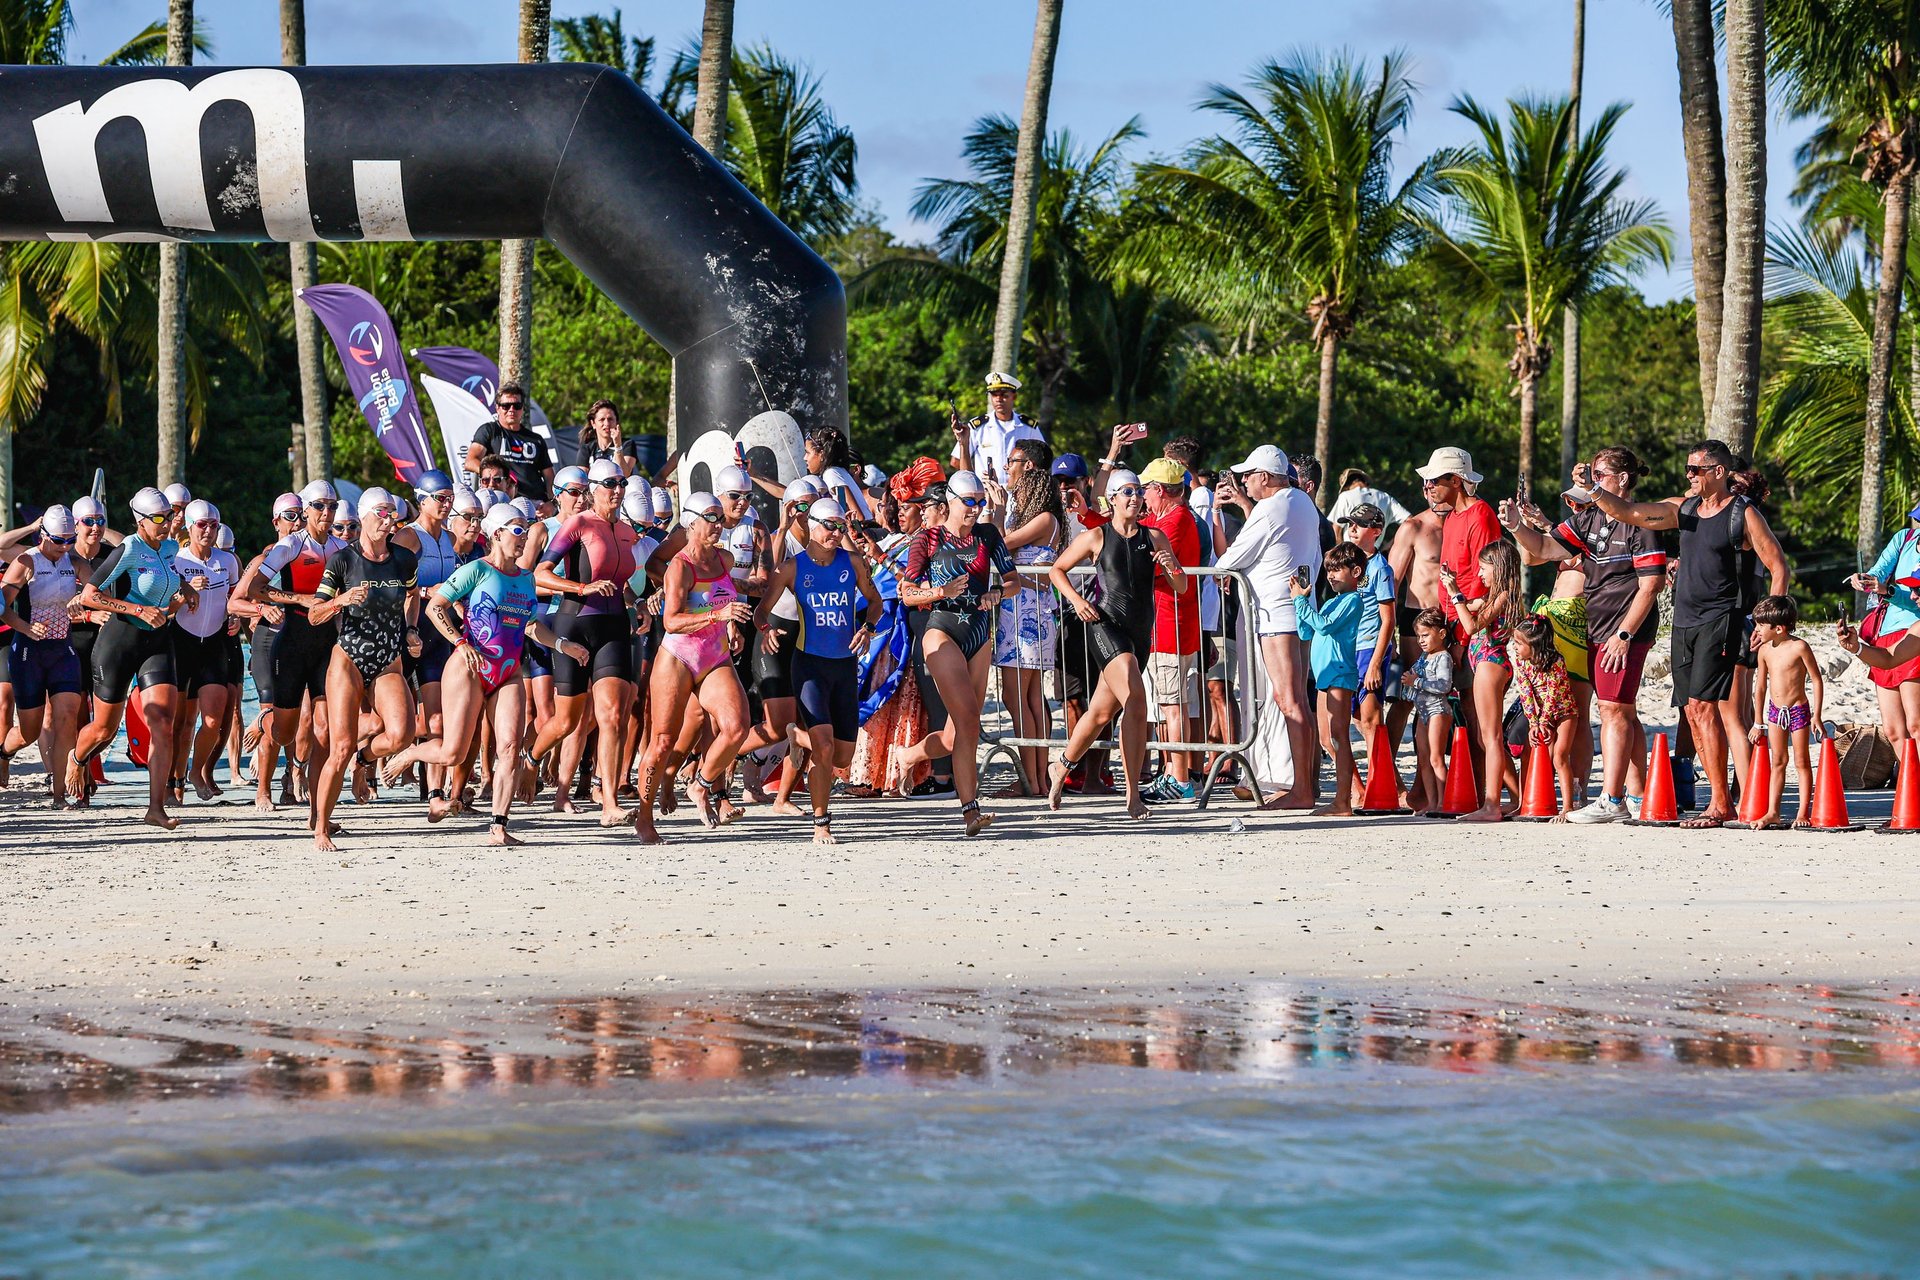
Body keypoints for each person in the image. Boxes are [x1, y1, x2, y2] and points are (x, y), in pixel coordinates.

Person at [1587, 439, 1790, 828]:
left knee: (1706, 706)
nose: (1689, 476)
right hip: (1684, 620)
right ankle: (1720, 799)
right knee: (1692, 711)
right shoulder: (1684, 510)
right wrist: (1595, 490)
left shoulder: (1742, 514)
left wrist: (1767, 624)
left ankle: (1721, 803)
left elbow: (1777, 566)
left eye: (1696, 469)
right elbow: (1629, 512)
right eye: (1687, 469)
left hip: (1724, 618)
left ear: (1719, 472)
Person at [380, 505, 590, 841]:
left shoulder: (525, 579)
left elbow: (532, 626)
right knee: (454, 752)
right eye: (517, 531)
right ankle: (411, 753)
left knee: (509, 746)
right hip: (468, 668)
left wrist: (563, 645)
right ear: (497, 534)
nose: (524, 539)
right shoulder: (477, 571)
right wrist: (460, 643)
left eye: (526, 530)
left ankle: (499, 825)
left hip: (507, 671)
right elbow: (436, 607)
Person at [1503, 447, 1666, 823]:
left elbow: (1652, 583)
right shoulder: (1590, 518)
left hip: (1625, 629)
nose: (1592, 481)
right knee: (1621, 709)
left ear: (1623, 479)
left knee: (1612, 709)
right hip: (1595, 624)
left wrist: (1624, 634)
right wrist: (1515, 526)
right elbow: (1543, 549)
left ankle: (1612, 799)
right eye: (1591, 474)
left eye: (1600, 475)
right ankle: (1638, 795)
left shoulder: (1640, 520)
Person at [1045, 469, 1187, 820]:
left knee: (1100, 713)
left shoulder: (1154, 537)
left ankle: (1061, 767)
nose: (1134, 497)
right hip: (1105, 626)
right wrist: (1077, 601)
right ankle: (1132, 793)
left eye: (1138, 491)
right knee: (1136, 699)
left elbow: (1182, 586)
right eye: (1126, 491)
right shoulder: (1096, 536)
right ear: (1111, 499)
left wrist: (1171, 568)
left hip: (1140, 634)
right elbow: (1056, 570)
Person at [753, 497, 883, 845]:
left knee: (841, 756)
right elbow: (761, 612)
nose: (836, 533)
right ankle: (821, 822)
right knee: (824, 747)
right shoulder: (790, 569)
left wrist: (867, 629)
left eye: (842, 527)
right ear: (812, 525)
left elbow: (876, 603)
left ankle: (795, 736)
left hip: (844, 665)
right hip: (808, 664)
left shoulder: (852, 562)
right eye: (830, 526)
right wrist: (767, 632)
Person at [894, 469, 1016, 835]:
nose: (976, 509)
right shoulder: (928, 540)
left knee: (954, 736)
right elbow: (907, 593)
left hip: (979, 634)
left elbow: (1013, 581)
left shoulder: (988, 535)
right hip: (941, 632)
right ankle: (970, 810)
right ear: (950, 501)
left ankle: (909, 755)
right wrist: (940, 593)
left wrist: (998, 592)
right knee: (968, 724)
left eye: (980, 503)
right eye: (969, 502)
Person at [70, 487, 196, 829]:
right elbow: (89, 596)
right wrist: (137, 608)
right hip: (119, 642)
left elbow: (172, 579)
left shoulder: (171, 547)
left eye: (169, 516)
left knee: (164, 725)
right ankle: (78, 757)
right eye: (159, 518)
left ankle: (156, 808)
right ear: (141, 521)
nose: (167, 523)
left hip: (156, 643)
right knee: (104, 729)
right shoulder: (128, 548)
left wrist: (186, 590)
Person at [304, 487, 420, 851]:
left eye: (392, 514)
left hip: (388, 657)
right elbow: (313, 614)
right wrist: (340, 600)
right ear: (365, 516)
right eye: (381, 513)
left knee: (402, 734)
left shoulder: (404, 559)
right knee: (338, 746)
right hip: (349, 658)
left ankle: (364, 758)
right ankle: (321, 826)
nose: (388, 520)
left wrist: (412, 629)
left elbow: (413, 595)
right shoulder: (344, 560)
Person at [634, 492, 754, 843]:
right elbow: (671, 621)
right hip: (678, 657)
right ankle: (643, 817)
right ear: (691, 522)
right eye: (711, 518)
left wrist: (731, 624)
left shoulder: (726, 559)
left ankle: (701, 785)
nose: (718, 524)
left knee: (737, 726)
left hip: (714, 654)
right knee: (662, 741)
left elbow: (726, 596)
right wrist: (719, 615)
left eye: (720, 518)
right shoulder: (680, 566)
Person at [529, 458, 639, 827]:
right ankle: (530, 760)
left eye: (621, 483)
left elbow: (624, 581)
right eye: (609, 484)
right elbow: (539, 574)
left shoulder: (626, 531)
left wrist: (639, 603)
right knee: (565, 720)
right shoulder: (579, 524)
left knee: (612, 716)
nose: (617, 490)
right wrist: (581, 587)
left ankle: (609, 803)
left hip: (615, 627)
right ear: (593, 489)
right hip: (575, 622)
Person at [1212, 445, 1322, 809]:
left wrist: (1225, 571)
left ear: (1265, 477)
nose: (1243, 481)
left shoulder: (1271, 508)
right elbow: (1316, 557)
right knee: (1299, 702)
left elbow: (1232, 557)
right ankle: (1307, 784)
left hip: (1276, 614)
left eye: (1249, 474)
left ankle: (1302, 789)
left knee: (1288, 700)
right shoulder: (1303, 502)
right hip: (1299, 611)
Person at [238, 479, 347, 814]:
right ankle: (265, 720)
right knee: (284, 733)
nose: (326, 513)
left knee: (324, 730)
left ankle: (319, 810)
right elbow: (255, 589)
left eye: (332, 506)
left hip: (326, 644)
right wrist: (299, 599)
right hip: (291, 641)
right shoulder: (290, 546)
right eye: (319, 506)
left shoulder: (342, 549)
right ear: (306, 509)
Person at [0, 505, 89, 805]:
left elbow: (96, 591)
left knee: (66, 717)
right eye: (59, 540)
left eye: (69, 539)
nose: (64, 546)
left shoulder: (74, 562)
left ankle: (59, 793)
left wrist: (83, 598)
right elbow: (2, 609)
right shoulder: (26, 561)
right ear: (43, 535)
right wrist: (26, 627)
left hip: (62, 651)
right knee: (30, 731)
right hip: (28, 653)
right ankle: (3, 751)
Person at [991, 437, 1063, 796]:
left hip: (1024, 615)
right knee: (1029, 700)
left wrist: (1001, 511)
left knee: (1019, 700)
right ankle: (1035, 779)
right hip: (1024, 611)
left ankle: (1031, 780)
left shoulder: (1045, 519)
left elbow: (1000, 543)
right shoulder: (1044, 520)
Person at [1444, 540, 1525, 823]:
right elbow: (1468, 606)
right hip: (1487, 664)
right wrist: (1452, 585)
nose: (1479, 574)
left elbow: (1471, 625)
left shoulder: (1503, 596)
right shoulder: (1492, 596)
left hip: (1492, 663)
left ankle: (1492, 804)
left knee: (1491, 738)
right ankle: (1518, 798)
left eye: (1483, 568)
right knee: (1485, 737)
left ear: (1499, 568)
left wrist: (1455, 595)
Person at [1138, 456, 1203, 803]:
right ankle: (1173, 774)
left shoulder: (1175, 519)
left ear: (1159, 491)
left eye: (1145, 489)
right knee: (1169, 705)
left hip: (1171, 622)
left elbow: (1140, 551)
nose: (1141, 496)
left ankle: (1180, 779)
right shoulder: (1165, 517)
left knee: (1173, 706)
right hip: (1166, 622)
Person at [168, 499, 240, 803]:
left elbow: (236, 596)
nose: (208, 531)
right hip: (181, 642)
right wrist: (186, 592)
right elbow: (164, 611)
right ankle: (173, 779)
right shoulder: (176, 561)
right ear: (189, 527)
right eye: (202, 525)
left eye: (214, 525)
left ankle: (196, 771)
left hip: (213, 642)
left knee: (214, 717)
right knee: (180, 722)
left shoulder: (228, 561)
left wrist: (235, 616)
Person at [1293, 540, 1369, 816]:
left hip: (1340, 673)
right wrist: (1301, 602)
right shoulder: (1331, 602)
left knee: (1339, 736)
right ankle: (1348, 792)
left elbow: (1324, 626)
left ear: (1356, 572)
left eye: (1337, 570)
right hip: (1325, 675)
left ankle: (1343, 800)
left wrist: (1301, 602)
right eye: (1329, 570)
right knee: (1326, 739)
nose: (1331, 576)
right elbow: (1306, 631)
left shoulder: (1352, 600)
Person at [1384, 485, 1447, 807]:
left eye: (1437, 481)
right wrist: (1386, 637)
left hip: (1454, 619)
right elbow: (1391, 584)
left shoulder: (1467, 522)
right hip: (1415, 617)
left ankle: (1432, 783)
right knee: (1408, 697)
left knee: (1449, 699)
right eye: (1426, 482)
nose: (1429, 488)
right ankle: (1388, 775)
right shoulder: (1414, 527)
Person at [1748, 594, 1824, 830]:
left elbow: (1816, 679)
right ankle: (1773, 811)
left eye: (1761, 625)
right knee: (1778, 761)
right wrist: (1757, 721)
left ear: (1779, 628)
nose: (1757, 629)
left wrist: (1817, 716)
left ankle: (1803, 812)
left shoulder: (1799, 647)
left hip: (1798, 710)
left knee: (1802, 762)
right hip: (1774, 712)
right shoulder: (1763, 651)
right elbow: (1760, 687)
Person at [1850, 501, 1920, 751]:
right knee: (1893, 729)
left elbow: (1916, 599)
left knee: (1916, 724)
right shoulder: (1905, 538)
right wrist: (1864, 579)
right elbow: (1878, 572)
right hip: (1887, 634)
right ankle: (1909, 786)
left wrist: (1888, 590)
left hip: (1915, 633)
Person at [1342, 504, 1397, 801]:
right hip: (1348, 649)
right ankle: (1361, 789)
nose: (1352, 529)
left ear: (1376, 531)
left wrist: (1376, 662)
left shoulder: (1380, 568)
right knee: (1350, 719)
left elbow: (1388, 618)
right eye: (1349, 523)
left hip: (1369, 647)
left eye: (1359, 525)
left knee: (1372, 720)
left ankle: (1382, 787)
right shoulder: (1346, 563)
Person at [1508, 613, 1579, 821]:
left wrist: (1545, 721)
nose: (1514, 647)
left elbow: (1552, 694)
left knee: (1560, 756)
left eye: (1519, 643)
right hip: (1539, 717)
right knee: (1535, 757)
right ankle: (1528, 803)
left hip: (1564, 712)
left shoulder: (1555, 661)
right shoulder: (1522, 663)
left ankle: (1567, 807)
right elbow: (1526, 694)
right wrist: (1533, 723)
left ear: (1536, 644)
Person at [463, 383, 553, 502]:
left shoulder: (536, 439)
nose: (511, 410)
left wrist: (552, 503)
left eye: (517, 405)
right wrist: (496, 476)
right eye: (506, 406)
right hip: (501, 499)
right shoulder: (489, 431)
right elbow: (470, 461)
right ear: (497, 408)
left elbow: (549, 475)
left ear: (523, 408)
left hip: (536, 502)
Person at [950, 371, 1045, 482]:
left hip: (1020, 493)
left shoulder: (1028, 427)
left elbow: (1043, 459)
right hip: (986, 493)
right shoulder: (978, 427)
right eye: (994, 395)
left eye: (1004, 395)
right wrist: (975, 482)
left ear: (1014, 396)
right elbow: (956, 461)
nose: (998, 399)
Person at [1407, 608, 1455, 818]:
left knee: (1436, 757)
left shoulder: (1443, 657)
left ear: (1441, 634)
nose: (1421, 641)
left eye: (1425, 635)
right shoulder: (1424, 657)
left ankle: (1444, 800)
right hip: (1422, 711)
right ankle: (1432, 801)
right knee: (1424, 759)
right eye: (1418, 636)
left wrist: (1416, 681)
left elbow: (1444, 686)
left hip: (1438, 710)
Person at [1328, 468, 1413, 532]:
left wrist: (1340, 553)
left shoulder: (1345, 496)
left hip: (1350, 552)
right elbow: (1410, 521)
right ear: (1365, 482)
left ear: (1346, 487)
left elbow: (1336, 530)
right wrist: (1394, 543)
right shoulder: (1385, 497)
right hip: (1376, 552)